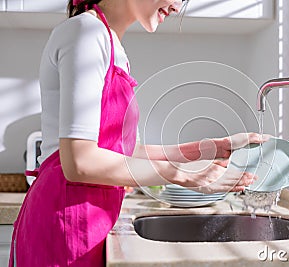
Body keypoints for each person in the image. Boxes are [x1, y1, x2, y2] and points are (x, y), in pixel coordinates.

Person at [9, 0, 269, 266]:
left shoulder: (112, 45)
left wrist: (204, 150)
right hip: (66, 222)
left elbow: (122, 150)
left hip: (91, 217)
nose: (178, 7)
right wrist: (182, 176)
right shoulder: (85, 33)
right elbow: (80, 162)